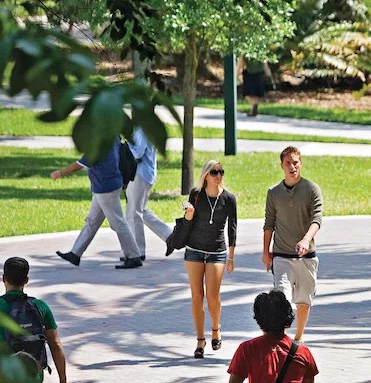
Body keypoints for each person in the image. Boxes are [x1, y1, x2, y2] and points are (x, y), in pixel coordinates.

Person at [50, 140, 142, 269]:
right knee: (92, 221)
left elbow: (80, 164)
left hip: (105, 188)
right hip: (107, 185)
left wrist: (60, 173)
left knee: (118, 223)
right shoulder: (113, 137)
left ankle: (133, 257)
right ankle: (75, 253)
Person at [263, 147, 323, 341]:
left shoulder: (312, 189)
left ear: (301, 163)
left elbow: (317, 219)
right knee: (282, 299)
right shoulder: (273, 193)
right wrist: (266, 252)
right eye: (288, 163)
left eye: (295, 162)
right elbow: (269, 223)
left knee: (304, 301)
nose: (292, 166)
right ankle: (281, 339)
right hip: (281, 256)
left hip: (307, 257)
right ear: (282, 166)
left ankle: (298, 339)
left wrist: (306, 239)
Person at [183, 160, 238, 359]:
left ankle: (215, 328)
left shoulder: (229, 199)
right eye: (214, 172)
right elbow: (188, 221)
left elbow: (232, 229)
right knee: (197, 295)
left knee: (213, 296)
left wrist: (231, 257)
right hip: (194, 250)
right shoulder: (196, 195)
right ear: (206, 175)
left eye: (221, 172)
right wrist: (188, 214)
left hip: (217, 251)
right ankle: (200, 340)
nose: (218, 175)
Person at [1, 257, 70, 383]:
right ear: (26, 280)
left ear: (3, 278)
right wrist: (63, 380)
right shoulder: (40, 306)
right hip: (33, 382)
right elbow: (56, 345)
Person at [125, 126, 173, 262]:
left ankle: (138, 251)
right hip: (141, 174)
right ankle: (169, 236)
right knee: (138, 210)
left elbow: (137, 153)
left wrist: (121, 150)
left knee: (135, 213)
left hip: (141, 174)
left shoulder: (143, 130)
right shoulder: (142, 129)